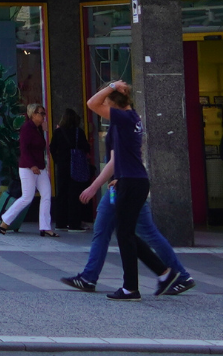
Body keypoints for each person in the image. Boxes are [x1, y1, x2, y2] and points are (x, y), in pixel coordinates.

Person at [85, 80, 178, 301]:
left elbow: (91, 103)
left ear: (115, 104)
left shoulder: (125, 117)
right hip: (131, 179)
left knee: (125, 233)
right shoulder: (132, 118)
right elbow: (124, 154)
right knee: (126, 232)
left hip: (132, 182)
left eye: (108, 102)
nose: (104, 106)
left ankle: (132, 287)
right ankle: (163, 273)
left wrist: (111, 86)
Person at [61, 147, 195, 297]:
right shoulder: (127, 125)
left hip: (125, 186)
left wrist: (94, 187)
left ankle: (175, 276)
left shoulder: (119, 124)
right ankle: (90, 277)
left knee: (125, 232)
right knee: (113, 230)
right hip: (125, 184)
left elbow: (115, 160)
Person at [0, 104, 55, 237]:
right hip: (28, 168)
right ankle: (5, 220)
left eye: (44, 113)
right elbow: (24, 149)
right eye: (41, 113)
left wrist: (44, 131)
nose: (43, 116)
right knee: (27, 197)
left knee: (46, 194)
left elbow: (42, 147)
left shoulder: (38, 129)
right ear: (33, 114)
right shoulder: (27, 128)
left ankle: (45, 226)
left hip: (40, 167)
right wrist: (32, 165)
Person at [50, 108, 93, 232]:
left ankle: (60, 222)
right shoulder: (78, 132)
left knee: (61, 193)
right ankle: (74, 223)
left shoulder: (58, 132)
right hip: (76, 166)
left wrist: (58, 160)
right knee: (74, 195)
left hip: (62, 166)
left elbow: (52, 148)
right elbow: (85, 147)